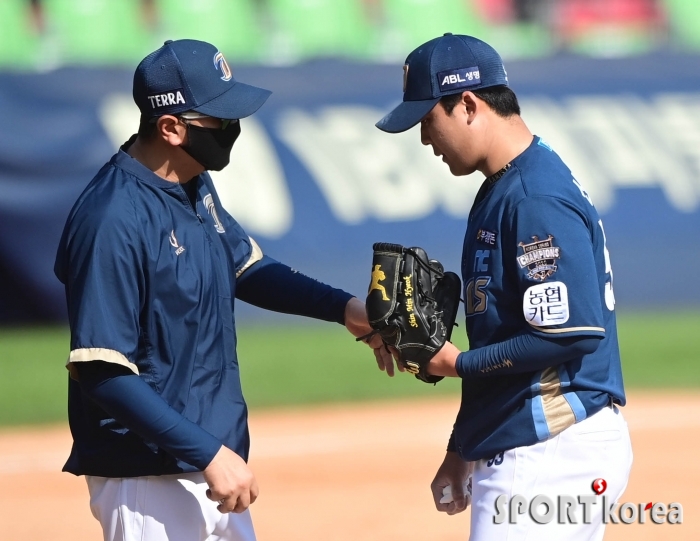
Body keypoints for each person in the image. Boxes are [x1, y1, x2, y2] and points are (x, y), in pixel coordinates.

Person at [54, 39, 389, 541]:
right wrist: (206, 453)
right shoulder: (112, 219)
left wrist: (346, 309)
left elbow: (246, 267)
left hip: (206, 459)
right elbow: (102, 371)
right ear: (170, 127)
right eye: (219, 119)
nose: (233, 129)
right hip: (149, 478)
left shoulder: (191, 182)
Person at [374, 33, 633, 540]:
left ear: (468, 105)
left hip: (550, 450)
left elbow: (570, 333)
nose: (425, 140)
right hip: (540, 446)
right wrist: (462, 446)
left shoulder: (533, 197)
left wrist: (455, 363)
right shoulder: (507, 185)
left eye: (428, 120)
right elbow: (507, 335)